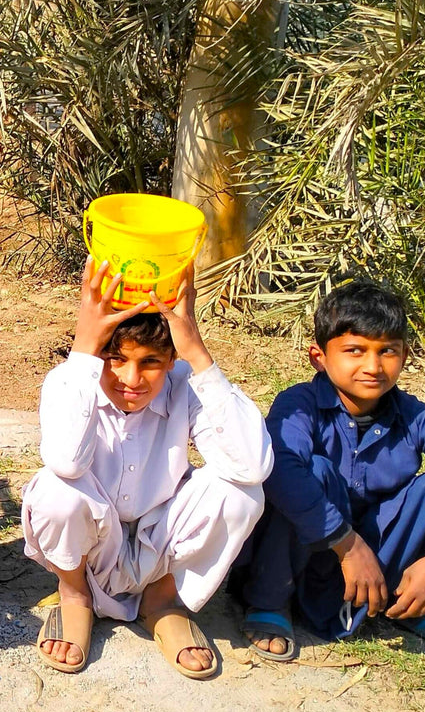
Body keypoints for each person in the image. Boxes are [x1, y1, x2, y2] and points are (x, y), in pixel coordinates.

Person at [230, 280, 425, 661]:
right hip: (298, 560)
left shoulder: (414, 416)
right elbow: (279, 473)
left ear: (405, 354)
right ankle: (270, 602)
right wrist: (347, 544)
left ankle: (413, 604)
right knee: (310, 471)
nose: (373, 367)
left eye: (387, 351)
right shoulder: (299, 406)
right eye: (354, 350)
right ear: (318, 357)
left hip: (375, 562)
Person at [22, 258, 273, 678]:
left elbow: (252, 467)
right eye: (114, 358)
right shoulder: (69, 380)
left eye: (151, 363)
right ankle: (75, 592)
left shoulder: (184, 383)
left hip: (163, 543)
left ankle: (163, 602)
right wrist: (85, 348)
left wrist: (196, 352)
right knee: (56, 488)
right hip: (95, 545)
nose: (131, 378)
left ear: (171, 359)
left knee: (243, 492)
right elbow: (66, 462)